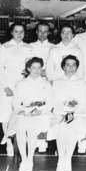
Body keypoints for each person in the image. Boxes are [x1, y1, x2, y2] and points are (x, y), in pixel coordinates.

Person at [0, 23, 33, 157]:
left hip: (23, 86)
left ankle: (20, 142)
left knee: (21, 114)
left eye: (21, 31)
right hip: (8, 86)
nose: (19, 34)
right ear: (11, 32)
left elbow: (31, 68)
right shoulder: (5, 47)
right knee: (7, 115)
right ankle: (9, 143)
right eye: (16, 31)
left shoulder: (28, 47)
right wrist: (6, 86)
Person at [12, 57, 53, 171]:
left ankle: (30, 160)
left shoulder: (46, 83)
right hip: (24, 113)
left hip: (41, 115)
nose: (36, 70)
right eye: (33, 67)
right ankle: (24, 160)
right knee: (20, 128)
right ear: (28, 68)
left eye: (39, 67)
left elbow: (50, 102)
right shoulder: (21, 83)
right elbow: (15, 102)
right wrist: (23, 111)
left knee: (31, 129)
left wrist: (40, 110)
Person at [50, 55, 86, 171]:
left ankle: (68, 159)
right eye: (68, 65)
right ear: (63, 67)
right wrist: (63, 107)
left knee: (71, 127)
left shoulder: (81, 81)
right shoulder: (57, 81)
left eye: (73, 65)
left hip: (76, 113)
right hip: (60, 112)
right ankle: (61, 159)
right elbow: (54, 100)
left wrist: (73, 109)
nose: (70, 67)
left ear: (76, 67)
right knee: (61, 128)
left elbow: (83, 100)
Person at [29, 22, 54, 153]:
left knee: (46, 111)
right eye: (40, 31)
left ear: (49, 33)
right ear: (36, 32)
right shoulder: (30, 47)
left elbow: (56, 67)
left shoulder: (54, 47)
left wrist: (48, 74)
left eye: (45, 31)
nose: (43, 34)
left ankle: (43, 140)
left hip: (48, 84)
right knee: (34, 109)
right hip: (34, 83)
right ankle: (34, 139)